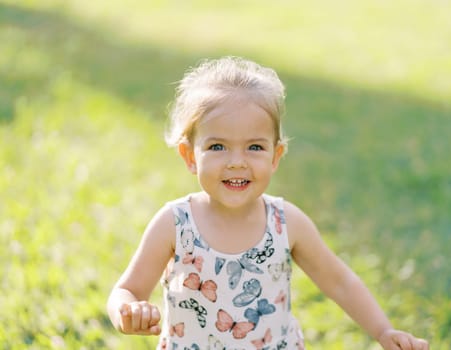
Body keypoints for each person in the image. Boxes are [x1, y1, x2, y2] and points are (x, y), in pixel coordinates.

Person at [107, 56, 429, 350]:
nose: (237, 162)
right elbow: (127, 289)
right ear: (190, 156)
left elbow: (340, 282)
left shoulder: (286, 222)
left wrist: (383, 331)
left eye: (255, 147)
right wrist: (127, 310)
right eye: (218, 147)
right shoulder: (175, 224)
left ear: (276, 157)